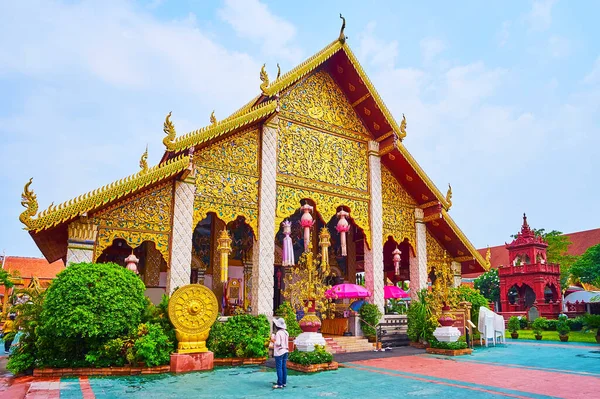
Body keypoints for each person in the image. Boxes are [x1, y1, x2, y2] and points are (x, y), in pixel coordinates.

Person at [271, 318, 289, 389]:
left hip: (279, 352)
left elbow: (278, 343)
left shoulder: (278, 333)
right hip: (285, 351)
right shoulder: (286, 332)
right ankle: (284, 382)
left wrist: (273, 340)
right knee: (284, 367)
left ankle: (279, 384)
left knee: (279, 368)